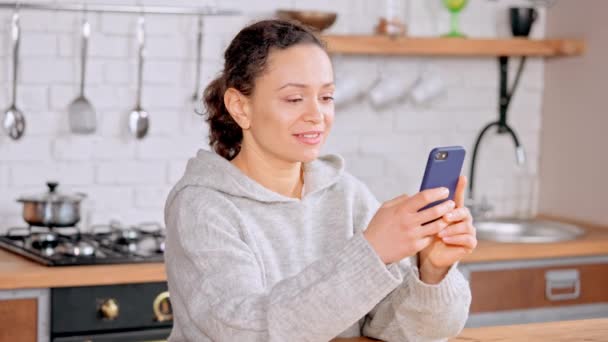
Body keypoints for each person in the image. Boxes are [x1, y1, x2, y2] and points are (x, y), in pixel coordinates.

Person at [164, 19, 476, 342]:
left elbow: (401, 329)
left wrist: (432, 272)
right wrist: (372, 252)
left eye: (326, 97)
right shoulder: (202, 208)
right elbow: (245, 331)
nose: (317, 115)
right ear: (240, 107)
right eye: (294, 99)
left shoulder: (347, 195)